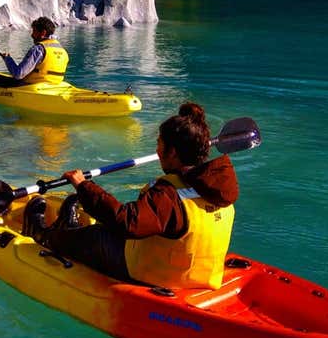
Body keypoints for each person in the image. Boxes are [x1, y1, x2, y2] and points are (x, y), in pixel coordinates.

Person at [22, 102, 239, 290]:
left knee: (100, 236)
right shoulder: (219, 186)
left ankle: (43, 234)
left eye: (159, 144)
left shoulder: (169, 195)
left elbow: (126, 222)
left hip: (154, 274)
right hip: (198, 274)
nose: (157, 151)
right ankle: (70, 226)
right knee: (106, 227)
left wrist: (83, 186)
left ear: (172, 152)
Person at [0, 17, 69, 86]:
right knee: (1, 78)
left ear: (43, 33)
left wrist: (8, 59)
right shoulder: (63, 51)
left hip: (30, 87)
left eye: (34, 32)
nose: (32, 35)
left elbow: (18, 74)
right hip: (53, 88)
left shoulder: (39, 49)